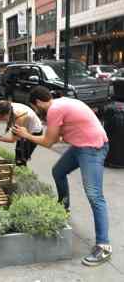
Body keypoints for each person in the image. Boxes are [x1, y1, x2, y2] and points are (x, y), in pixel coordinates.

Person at [12, 86, 111, 266]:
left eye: (35, 107)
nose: (36, 111)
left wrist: (26, 135)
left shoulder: (54, 109)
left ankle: (104, 246)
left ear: (39, 102)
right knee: (58, 171)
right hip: (80, 146)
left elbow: (49, 142)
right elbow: (56, 136)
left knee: (95, 196)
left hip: (92, 148)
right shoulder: (60, 102)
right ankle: (63, 207)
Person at [0, 100, 43, 166]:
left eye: (2, 117)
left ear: (7, 114)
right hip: (24, 129)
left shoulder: (19, 117)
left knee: (21, 157)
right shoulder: (5, 106)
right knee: (18, 152)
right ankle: (19, 164)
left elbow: (12, 140)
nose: (0, 118)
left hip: (34, 132)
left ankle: (22, 168)